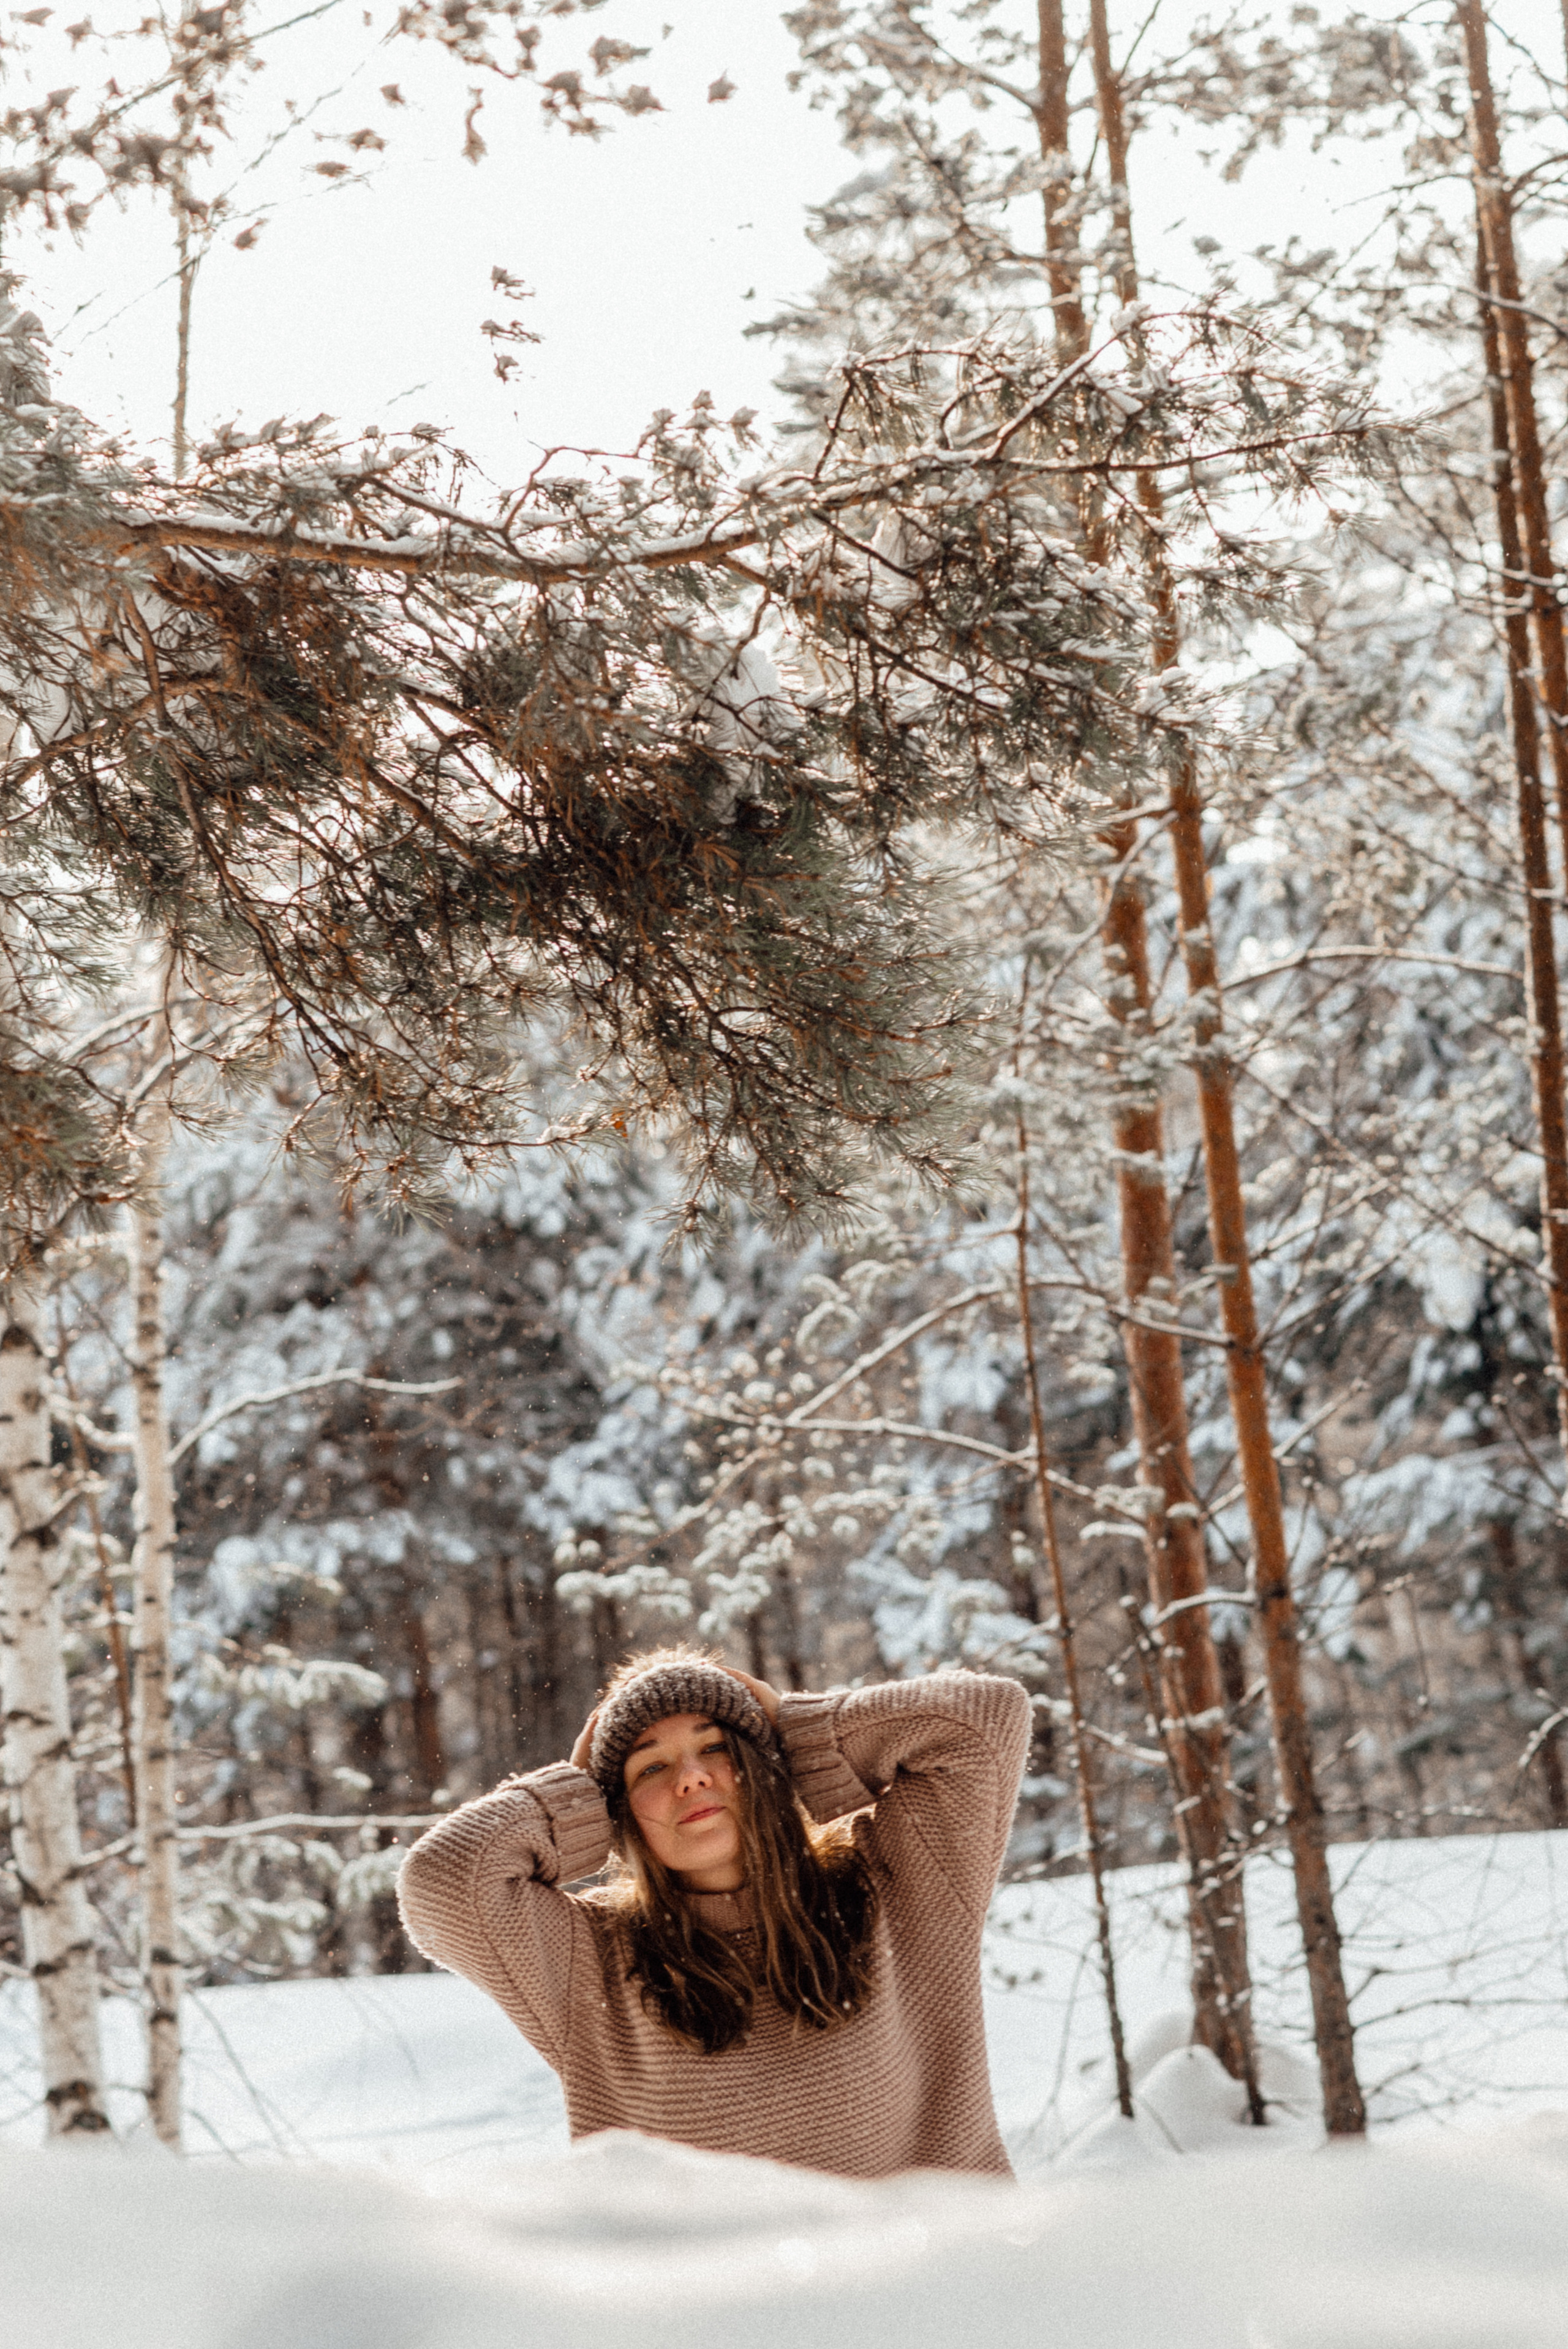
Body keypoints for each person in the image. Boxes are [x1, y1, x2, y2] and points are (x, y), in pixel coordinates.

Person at [397, 1643, 1031, 2179]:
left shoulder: (895, 1883)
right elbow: (442, 1880)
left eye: (716, 1748)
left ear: (765, 1765)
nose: (692, 1779)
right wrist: (581, 1798)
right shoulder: (587, 1961)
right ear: (618, 1811)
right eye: (652, 1767)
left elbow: (984, 1721)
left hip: (951, 2301)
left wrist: (800, 1731)